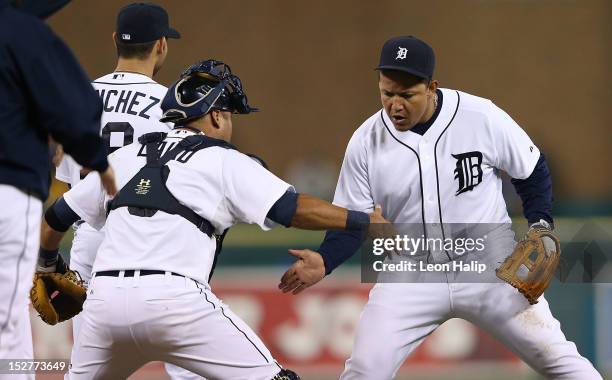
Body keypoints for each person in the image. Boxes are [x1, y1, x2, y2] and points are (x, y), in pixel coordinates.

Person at [37, 59, 387, 379]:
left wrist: (48, 267)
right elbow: (292, 209)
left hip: (105, 302)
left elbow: (55, 217)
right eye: (229, 114)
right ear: (217, 117)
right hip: (176, 301)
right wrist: (361, 221)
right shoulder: (222, 159)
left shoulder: (125, 158)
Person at [278, 36, 602, 379]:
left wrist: (540, 225)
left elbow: (532, 171)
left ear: (432, 87)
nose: (395, 105)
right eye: (387, 93)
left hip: (488, 265)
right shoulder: (365, 141)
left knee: (558, 359)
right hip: (408, 271)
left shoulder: (480, 116)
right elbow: (353, 219)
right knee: (363, 371)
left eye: (406, 94)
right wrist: (325, 260)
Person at [52, 3, 196, 379]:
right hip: (148, 246)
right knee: (191, 365)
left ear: (115, 40)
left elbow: (70, 188)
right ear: (162, 44)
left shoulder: (77, 98)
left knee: (89, 371)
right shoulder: (170, 106)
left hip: (89, 244)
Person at [0, 1, 115, 378]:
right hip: (8, 191)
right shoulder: (21, 31)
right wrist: (96, 157)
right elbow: (73, 107)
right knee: (7, 323)